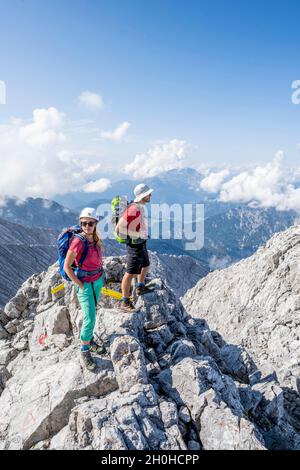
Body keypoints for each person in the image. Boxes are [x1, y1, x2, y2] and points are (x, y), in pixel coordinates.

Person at [64, 208, 105, 371]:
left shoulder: (95, 239)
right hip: (85, 283)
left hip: (97, 280)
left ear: (95, 224)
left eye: (90, 223)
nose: (86, 226)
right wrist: (80, 285)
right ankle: (84, 350)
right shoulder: (78, 241)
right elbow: (67, 267)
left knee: (93, 312)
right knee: (89, 318)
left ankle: (90, 340)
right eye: (83, 223)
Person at [115, 183, 154, 312]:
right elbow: (119, 228)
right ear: (143, 195)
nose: (150, 195)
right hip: (134, 246)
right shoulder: (133, 209)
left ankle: (140, 286)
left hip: (141, 242)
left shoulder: (139, 207)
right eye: (148, 194)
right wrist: (138, 234)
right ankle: (125, 301)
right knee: (130, 273)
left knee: (146, 264)